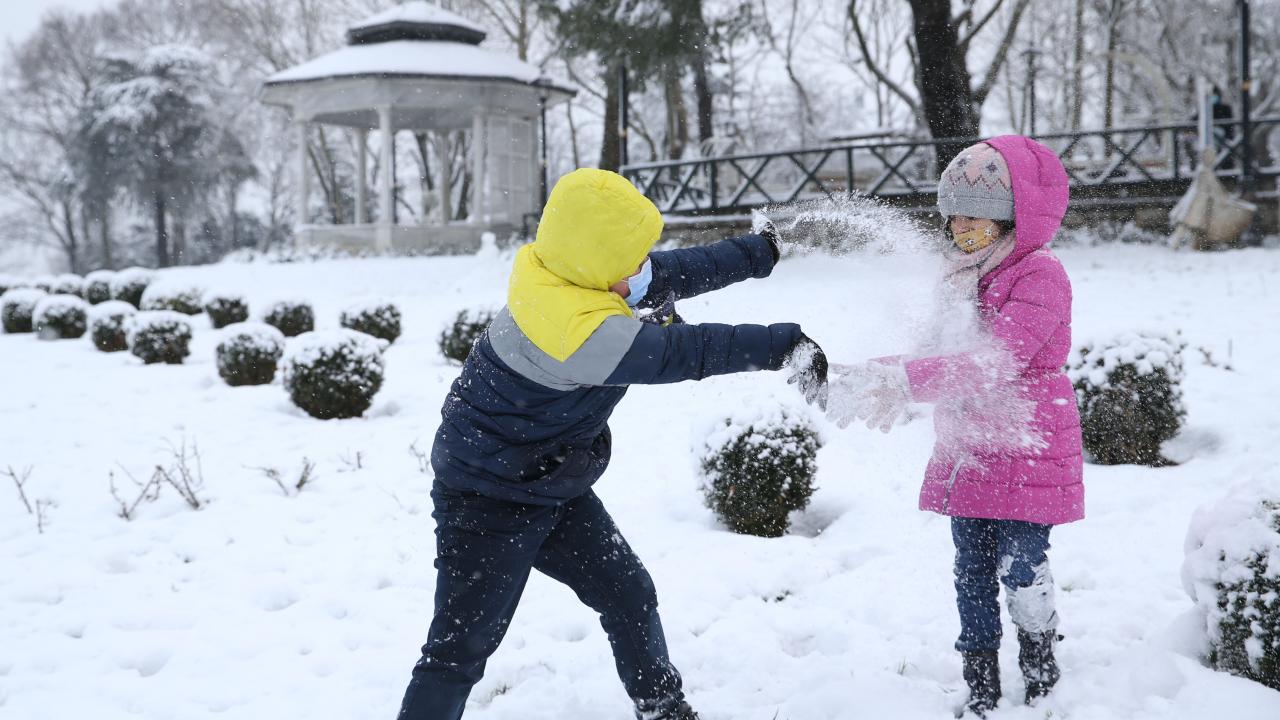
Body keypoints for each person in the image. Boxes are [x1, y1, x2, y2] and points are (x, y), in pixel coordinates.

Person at [396, 168, 828, 720]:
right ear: (598, 264)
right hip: (486, 501)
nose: (644, 269)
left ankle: (663, 709)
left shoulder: (563, 269)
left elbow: (666, 274)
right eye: (632, 260)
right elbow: (684, 352)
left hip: (551, 479)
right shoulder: (580, 331)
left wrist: (757, 252)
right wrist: (783, 345)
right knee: (457, 652)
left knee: (628, 594)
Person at [828, 137, 1084, 716]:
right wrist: (880, 375)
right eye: (954, 214)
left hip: (1028, 445)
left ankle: (1041, 665)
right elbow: (936, 355)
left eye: (977, 214)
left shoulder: (1040, 276)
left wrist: (910, 381)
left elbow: (998, 360)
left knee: (1021, 567)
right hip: (967, 446)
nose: (962, 226)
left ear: (1015, 214)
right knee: (970, 570)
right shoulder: (958, 277)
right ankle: (981, 681)